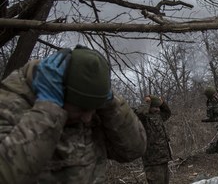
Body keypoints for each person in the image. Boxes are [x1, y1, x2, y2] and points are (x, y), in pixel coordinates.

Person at [0, 45, 147, 183]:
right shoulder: (10, 102)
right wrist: (48, 110)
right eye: (81, 109)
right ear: (61, 92)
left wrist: (112, 105)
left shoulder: (96, 108)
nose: (88, 118)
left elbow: (134, 150)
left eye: (93, 109)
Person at [135, 94, 172, 184]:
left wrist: (162, 103)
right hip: (152, 162)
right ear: (149, 107)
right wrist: (147, 102)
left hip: (163, 159)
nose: (157, 109)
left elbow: (167, 113)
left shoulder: (158, 117)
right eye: (155, 107)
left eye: (158, 107)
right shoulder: (143, 120)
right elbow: (139, 113)